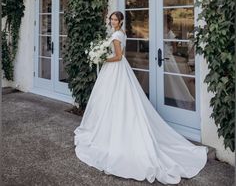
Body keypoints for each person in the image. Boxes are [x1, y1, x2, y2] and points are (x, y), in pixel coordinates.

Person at [74, 11, 208, 185]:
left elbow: (118, 56)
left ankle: (112, 132)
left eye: (115, 19)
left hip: (115, 68)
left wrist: (103, 58)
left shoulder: (116, 34)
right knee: (121, 99)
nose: (113, 21)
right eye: (111, 19)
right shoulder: (123, 33)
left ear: (120, 21)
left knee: (113, 98)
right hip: (122, 70)